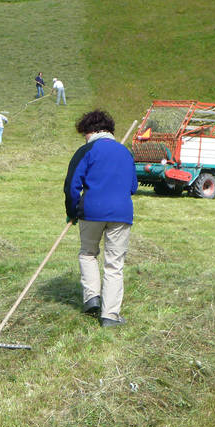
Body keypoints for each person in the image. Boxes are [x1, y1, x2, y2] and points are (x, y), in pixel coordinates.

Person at [63, 110, 137, 327]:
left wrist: (72, 210)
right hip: (122, 214)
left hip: (91, 211)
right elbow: (133, 187)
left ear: (91, 130)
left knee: (88, 253)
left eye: (84, 133)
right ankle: (109, 316)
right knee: (114, 265)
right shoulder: (126, 153)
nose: (84, 137)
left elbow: (71, 185)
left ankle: (92, 297)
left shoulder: (86, 150)